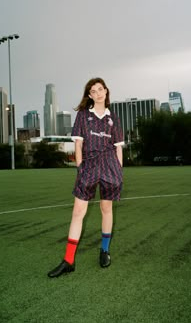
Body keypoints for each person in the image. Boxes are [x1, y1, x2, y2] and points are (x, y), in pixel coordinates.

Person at [48, 77, 124, 278]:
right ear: (89, 95)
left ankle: (105, 250)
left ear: (106, 91)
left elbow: (118, 148)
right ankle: (69, 260)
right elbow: (78, 145)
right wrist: (80, 167)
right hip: (89, 165)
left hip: (110, 165)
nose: (98, 93)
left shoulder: (114, 118)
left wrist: (118, 170)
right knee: (78, 211)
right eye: (94, 90)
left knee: (106, 208)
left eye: (101, 89)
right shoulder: (83, 116)